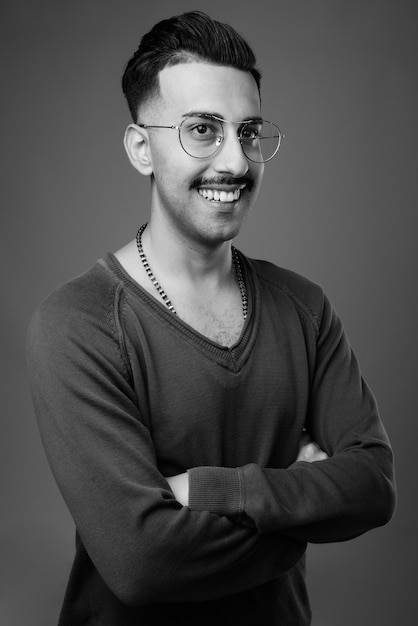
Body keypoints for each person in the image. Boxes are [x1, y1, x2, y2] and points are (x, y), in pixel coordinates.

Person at [27, 10, 396, 626]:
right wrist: (307, 507)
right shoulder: (77, 324)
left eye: (248, 132)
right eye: (203, 129)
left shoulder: (304, 307)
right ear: (141, 147)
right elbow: (142, 565)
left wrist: (208, 491)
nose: (235, 162)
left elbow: (374, 488)